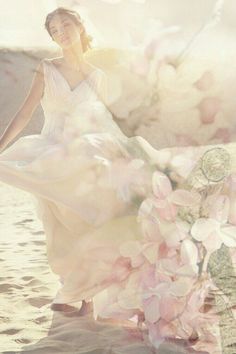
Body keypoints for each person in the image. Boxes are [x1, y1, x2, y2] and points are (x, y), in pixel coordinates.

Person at [0, 6, 235, 351]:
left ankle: (88, 295)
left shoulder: (98, 76)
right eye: (54, 28)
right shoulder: (46, 69)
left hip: (87, 156)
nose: (61, 31)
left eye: (66, 24)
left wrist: (129, 152)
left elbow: (103, 123)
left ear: (80, 27)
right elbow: (25, 112)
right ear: (51, 36)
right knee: (60, 225)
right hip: (52, 155)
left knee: (93, 222)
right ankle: (79, 290)